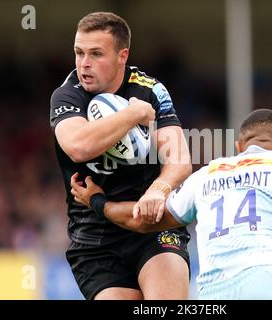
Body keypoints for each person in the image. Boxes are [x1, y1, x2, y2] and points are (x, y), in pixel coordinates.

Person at [71, 108, 272, 299]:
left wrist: (97, 202)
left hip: (214, 294)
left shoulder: (207, 175)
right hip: (271, 283)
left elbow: (144, 219)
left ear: (239, 145)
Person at [49, 12, 192, 300]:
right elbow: (78, 146)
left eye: (96, 54)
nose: (84, 64)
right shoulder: (67, 96)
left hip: (153, 226)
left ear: (121, 56)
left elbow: (179, 160)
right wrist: (132, 114)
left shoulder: (151, 90)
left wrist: (158, 189)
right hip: (95, 237)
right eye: (78, 53)